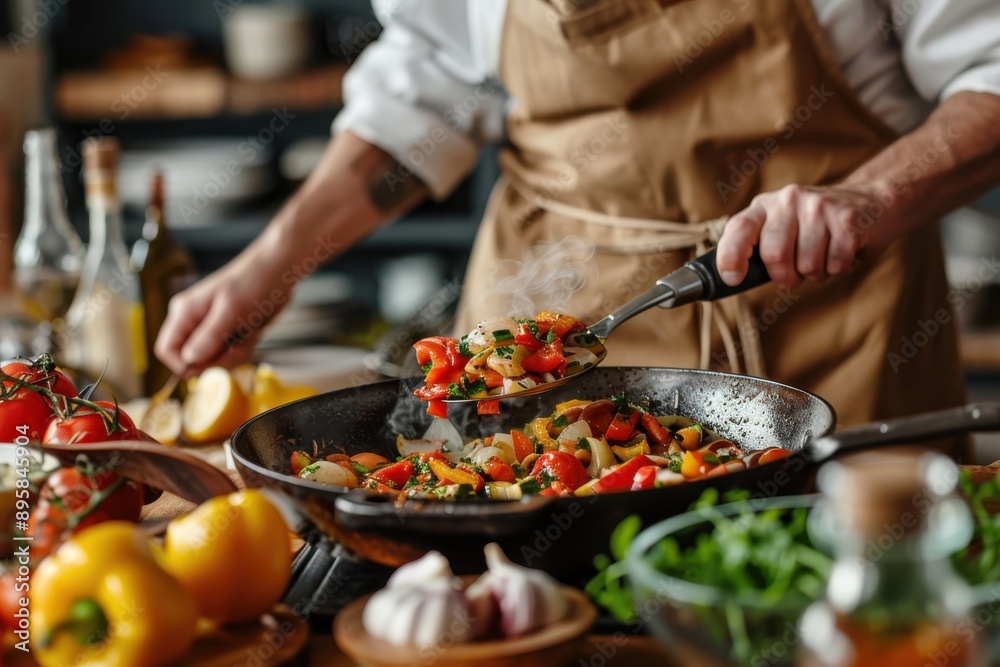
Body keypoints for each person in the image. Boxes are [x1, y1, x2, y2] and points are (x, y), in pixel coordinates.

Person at [156, 0, 1000, 454]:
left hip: (830, 316)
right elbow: (430, 89)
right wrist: (270, 264)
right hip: (547, 324)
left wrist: (870, 198)